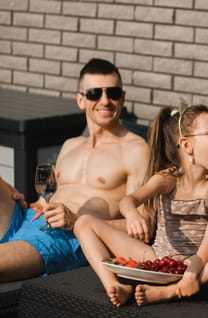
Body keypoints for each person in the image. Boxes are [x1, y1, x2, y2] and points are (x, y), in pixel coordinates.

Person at [74, 102, 208, 307]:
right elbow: (129, 201)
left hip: (200, 263)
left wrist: (192, 272)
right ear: (187, 145)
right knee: (84, 223)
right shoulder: (168, 179)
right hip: (157, 259)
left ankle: (172, 291)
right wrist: (133, 215)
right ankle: (116, 285)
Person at [0, 58, 149, 282]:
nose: (105, 101)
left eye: (113, 93)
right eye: (94, 93)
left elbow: (144, 224)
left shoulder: (135, 150)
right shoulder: (70, 145)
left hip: (67, 237)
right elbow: (49, 200)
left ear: (123, 98)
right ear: (81, 100)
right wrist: (28, 203)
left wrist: (77, 220)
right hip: (30, 218)